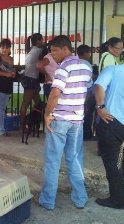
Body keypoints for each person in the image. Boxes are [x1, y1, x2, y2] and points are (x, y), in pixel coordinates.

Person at [39, 35, 92, 210]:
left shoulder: (63, 67)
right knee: (75, 160)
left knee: (52, 161)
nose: (52, 54)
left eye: (54, 50)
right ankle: (80, 198)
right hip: (77, 121)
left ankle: (48, 201)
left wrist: (47, 115)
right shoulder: (86, 66)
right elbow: (88, 89)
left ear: (65, 49)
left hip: (59, 120)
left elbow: (55, 94)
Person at [94, 64, 124, 209]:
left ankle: (117, 200)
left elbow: (99, 86)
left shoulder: (113, 70)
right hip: (115, 121)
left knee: (112, 162)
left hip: (113, 121)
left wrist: (100, 107)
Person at [0, 39, 16, 136]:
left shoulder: (11, 59)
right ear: (0, 48)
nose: (4, 49)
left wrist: (12, 74)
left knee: (2, 108)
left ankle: (0, 128)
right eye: (3, 47)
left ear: (10, 48)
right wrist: (6, 74)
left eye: (7, 47)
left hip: (7, 87)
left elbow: (11, 70)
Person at [20, 33, 44, 130]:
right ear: (38, 41)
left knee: (38, 102)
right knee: (26, 103)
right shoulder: (39, 50)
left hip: (30, 78)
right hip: (31, 79)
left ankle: (33, 121)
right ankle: (22, 126)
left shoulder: (32, 50)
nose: (43, 42)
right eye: (42, 40)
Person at [77, 45, 96, 140]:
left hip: (78, 91)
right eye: (89, 53)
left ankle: (81, 134)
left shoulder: (75, 62)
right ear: (85, 53)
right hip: (87, 91)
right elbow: (90, 77)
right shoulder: (87, 64)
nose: (90, 55)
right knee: (88, 113)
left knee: (81, 113)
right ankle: (87, 135)